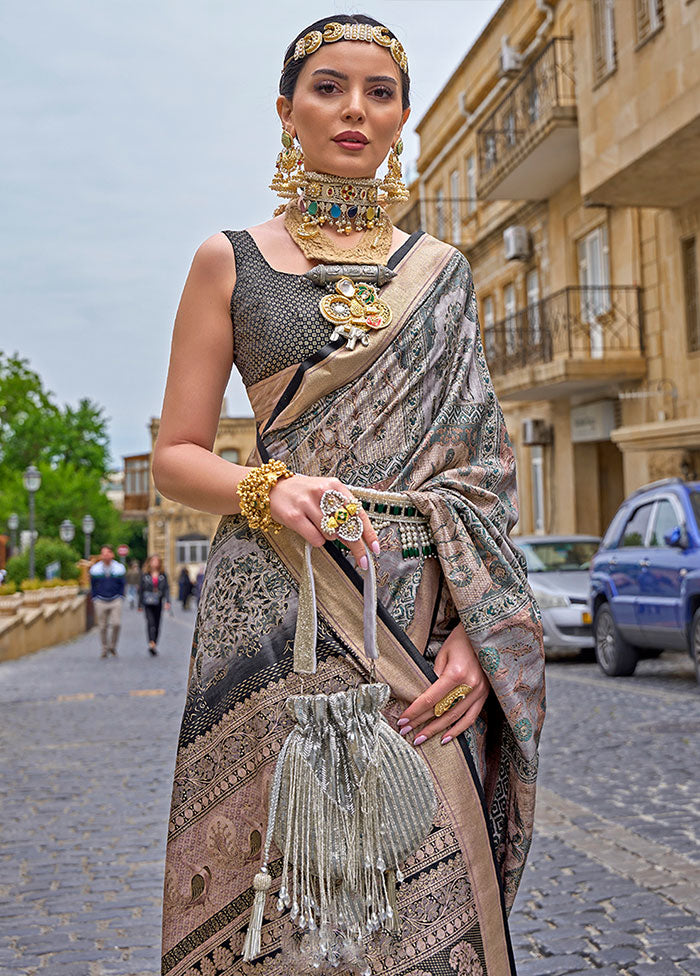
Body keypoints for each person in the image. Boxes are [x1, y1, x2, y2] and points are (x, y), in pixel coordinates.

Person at [153, 14, 545, 975]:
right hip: (274, 602)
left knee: (431, 877)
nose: (355, 110)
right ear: (287, 111)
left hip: (413, 610)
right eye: (329, 87)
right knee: (276, 877)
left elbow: (482, 473)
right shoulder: (230, 259)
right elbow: (176, 455)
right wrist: (267, 490)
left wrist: (473, 633)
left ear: (403, 115)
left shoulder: (441, 274)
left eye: (380, 91)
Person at [89, 545, 126, 658]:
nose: (105, 555)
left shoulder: (119, 568)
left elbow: (122, 583)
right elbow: (93, 584)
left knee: (116, 624)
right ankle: (104, 648)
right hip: (100, 599)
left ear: (112, 554)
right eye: (103, 553)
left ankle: (113, 646)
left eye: (107, 553)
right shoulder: (95, 569)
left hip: (115, 599)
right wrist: (95, 597)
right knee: (102, 626)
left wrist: (121, 596)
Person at [138, 555, 170, 655]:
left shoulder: (163, 575)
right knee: (150, 622)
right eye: (153, 561)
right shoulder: (145, 575)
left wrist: (168, 601)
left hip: (158, 601)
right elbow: (141, 590)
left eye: (157, 561)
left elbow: (166, 589)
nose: (155, 563)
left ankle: (155, 641)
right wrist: (139, 604)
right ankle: (151, 642)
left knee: (157, 623)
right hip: (148, 602)